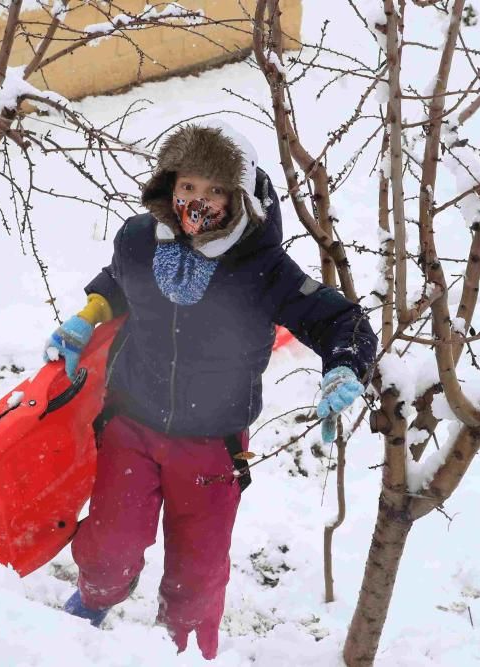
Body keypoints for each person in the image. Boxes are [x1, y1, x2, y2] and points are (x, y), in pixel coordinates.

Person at [43, 122, 377, 659]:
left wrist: (343, 368)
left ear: (240, 195)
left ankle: (181, 644)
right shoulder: (138, 238)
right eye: (189, 186)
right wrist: (85, 318)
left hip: (212, 441)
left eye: (216, 190)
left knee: (198, 568)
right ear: (169, 185)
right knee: (109, 544)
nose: (199, 201)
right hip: (130, 423)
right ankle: (92, 604)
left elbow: (343, 322)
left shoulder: (263, 268)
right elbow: (117, 281)